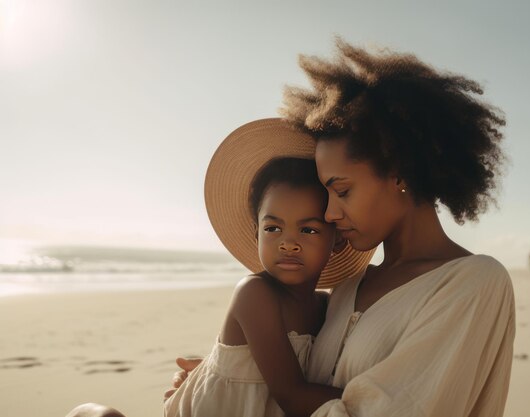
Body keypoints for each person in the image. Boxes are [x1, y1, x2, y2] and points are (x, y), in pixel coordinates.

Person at [171, 39, 516, 417]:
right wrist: (217, 375)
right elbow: (278, 372)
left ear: (399, 172)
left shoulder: (472, 283)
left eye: (342, 190)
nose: (330, 214)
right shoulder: (343, 292)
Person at [65, 120, 373, 417]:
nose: (288, 243)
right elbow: (291, 394)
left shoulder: (327, 305)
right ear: (256, 234)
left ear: (337, 241)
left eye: (308, 230)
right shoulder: (255, 293)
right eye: (273, 229)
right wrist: (381, 399)